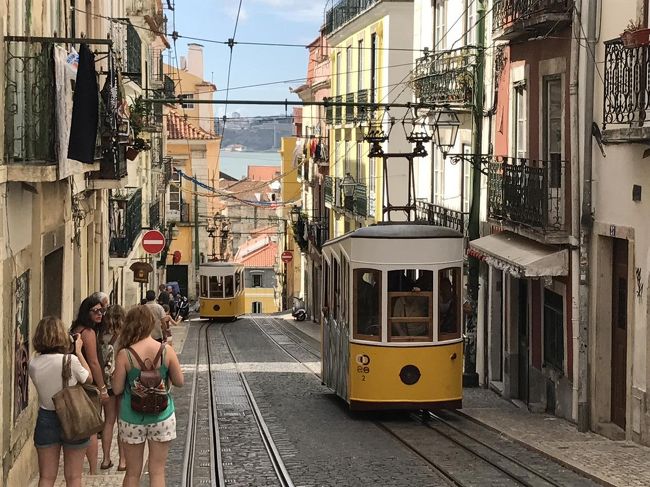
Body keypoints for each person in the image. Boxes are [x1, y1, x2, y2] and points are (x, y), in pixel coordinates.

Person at [112, 306, 184, 487]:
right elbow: (179, 381)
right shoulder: (166, 350)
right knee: (157, 471)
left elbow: (117, 389)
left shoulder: (124, 354)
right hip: (162, 416)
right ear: (151, 324)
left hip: (131, 417)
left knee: (132, 473)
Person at [29, 316, 92, 487]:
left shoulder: (33, 363)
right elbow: (88, 379)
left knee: (46, 477)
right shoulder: (71, 361)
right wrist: (78, 351)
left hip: (46, 417)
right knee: (74, 477)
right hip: (73, 416)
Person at [71, 296, 110, 476]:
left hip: (77, 383)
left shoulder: (76, 329)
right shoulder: (88, 332)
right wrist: (102, 388)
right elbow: (94, 362)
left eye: (102, 310)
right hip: (90, 385)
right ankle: (93, 468)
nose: (100, 314)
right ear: (86, 312)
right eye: (95, 311)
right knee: (92, 427)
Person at [98, 305, 126, 471]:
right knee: (122, 421)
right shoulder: (126, 336)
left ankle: (106, 459)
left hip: (106, 381)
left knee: (108, 421)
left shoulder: (100, 336)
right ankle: (122, 461)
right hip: (121, 381)